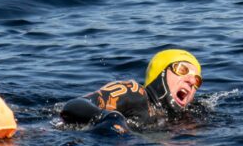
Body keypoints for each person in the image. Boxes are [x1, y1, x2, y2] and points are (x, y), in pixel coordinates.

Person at [60, 49, 203, 134]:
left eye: (197, 81)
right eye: (181, 70)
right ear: (160, 74)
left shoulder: (184, 117)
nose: (191, 81)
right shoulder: (134, 93)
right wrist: (110, 118)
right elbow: (73, 106)